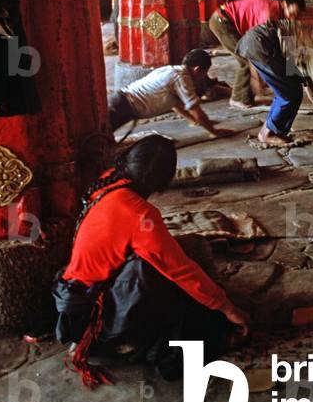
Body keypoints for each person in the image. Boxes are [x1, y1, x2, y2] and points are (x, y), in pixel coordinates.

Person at [53, 134, 250, 386]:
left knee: (180, 256)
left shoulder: (109, 182)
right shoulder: (139, 214)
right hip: (95, 319)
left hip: (72, 305)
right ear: (162, 180)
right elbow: (181, 271)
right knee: (170, 283)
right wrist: (228, 309)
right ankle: (178, 350)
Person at [236, 19, 313, 146]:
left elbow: (306, 82)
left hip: (265, 41)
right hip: (263, 43)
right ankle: (267, 133)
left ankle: (274, 131)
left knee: (293, 88)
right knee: (289, 94)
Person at [209, 0, 306, 109]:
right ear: (285, 4)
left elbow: (288, 43)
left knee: (254, 59)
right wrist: (257, 78)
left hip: (232, 23)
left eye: (297, 16)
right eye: (293, 13)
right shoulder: (269, 13)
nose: (293, 18)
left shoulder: (282, 15)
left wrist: (294, 74)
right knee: (247, 59)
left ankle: (246, 96)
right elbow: (256, 47)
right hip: (222, 22)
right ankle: (237, 98)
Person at [107, 49, 229, 138]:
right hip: (122, 106)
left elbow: (174, 104)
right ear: (197, 69)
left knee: (104, 139)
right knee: (99, 141)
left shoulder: (171, 69)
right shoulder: (182, 78)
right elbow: (194, 108)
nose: (203, 77)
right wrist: (214, 132)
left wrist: (194, 121)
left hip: (120, 100)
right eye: (204, 73)